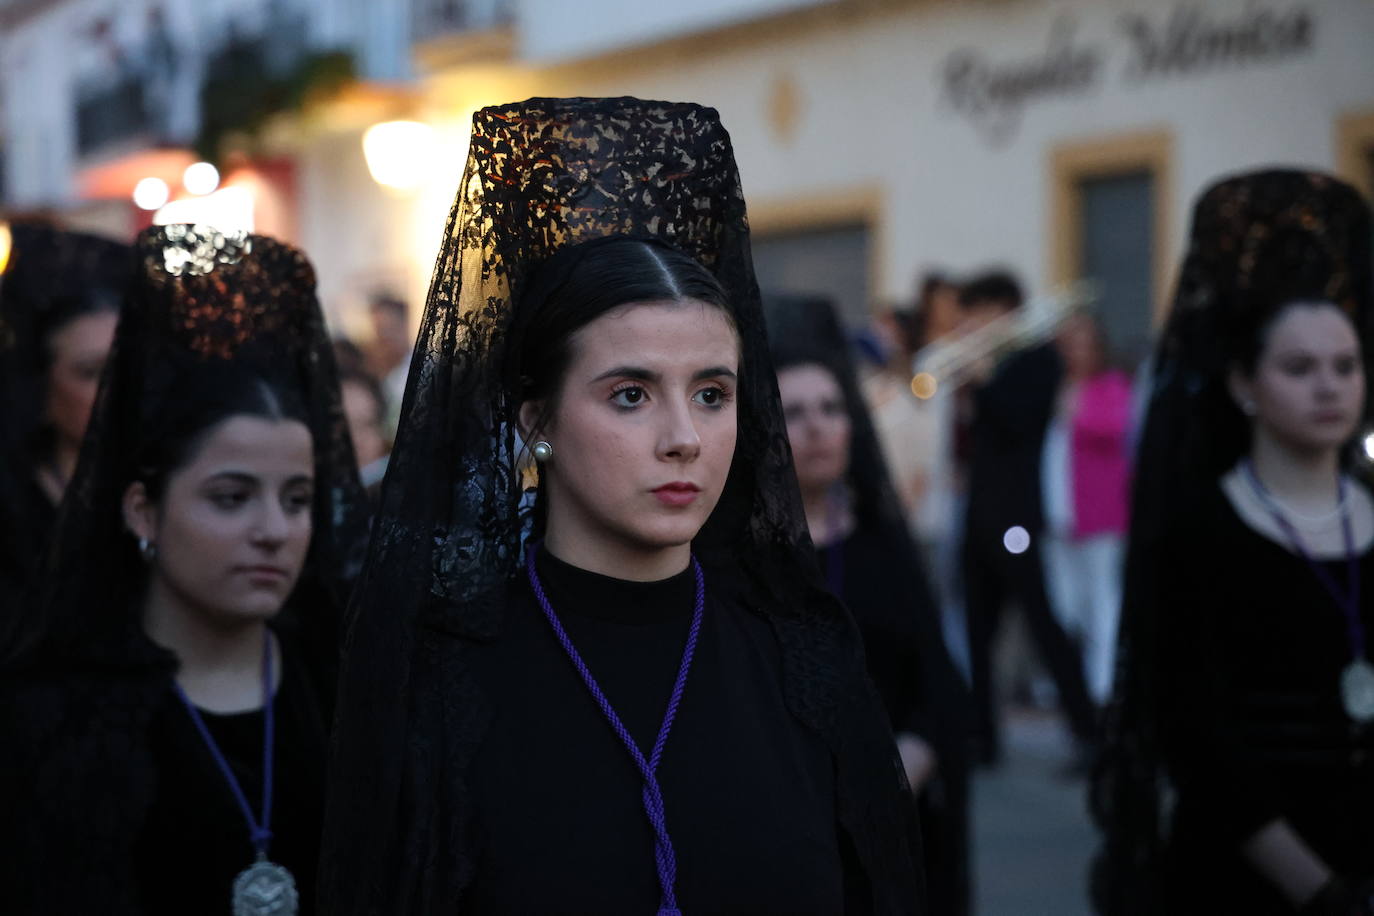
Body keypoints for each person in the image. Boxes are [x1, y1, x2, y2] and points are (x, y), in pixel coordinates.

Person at [320, 97, 925, 915]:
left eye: (712, 393)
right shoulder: (442, 675)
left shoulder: (799, 657)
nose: (684, 438)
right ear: (536, 419)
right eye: (631, 394)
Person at [0, 225, 371, 914]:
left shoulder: (345, 686)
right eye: (230, 498)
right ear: (143, 511)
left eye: (297, 500)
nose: (271, 531)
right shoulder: (56, 713)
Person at [1091, 170, 1374, 916]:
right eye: (1300, 367)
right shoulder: (1200, 530)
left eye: (1346, 367)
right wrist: (1321, 891)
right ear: (1245, 382)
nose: (1329, 387)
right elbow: (1198, 734)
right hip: (1242, 874)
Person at [769, 292, 972, 916]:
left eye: (831, 408)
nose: (817, 426)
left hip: (893, 823)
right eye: (795, 412)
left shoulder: (883, 546)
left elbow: (938, 689)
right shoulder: (743, 562)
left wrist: (885, 784)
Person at [956, 270, 1098, 767]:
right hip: (979, 517)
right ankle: (982, 738)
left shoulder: (1038, 360)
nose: (971, 324)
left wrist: (987, 379)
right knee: (977, 631)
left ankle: (1088, 732)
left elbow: (1020, 421)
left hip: (1018, 518)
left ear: (1004, 310)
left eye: (979, 313)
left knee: (1043, 625)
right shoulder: (986, 365)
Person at [0, 223, 130, 635]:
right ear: (42, 383)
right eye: (91, 372)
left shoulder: (172, 485)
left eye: (124, 370)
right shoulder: (10, 505)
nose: (113, 390)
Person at [1040, 308, 1133, 704]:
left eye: (1081, 341)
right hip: (1059, 514)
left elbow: (1117, 426)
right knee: (1066, 605)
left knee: (1103, 602)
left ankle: (1103, 688)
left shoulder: (1108, 385)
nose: (1074, 351)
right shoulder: (1053, 385)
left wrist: (1077, 411)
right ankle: (1076, 683)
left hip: (1101, 515)